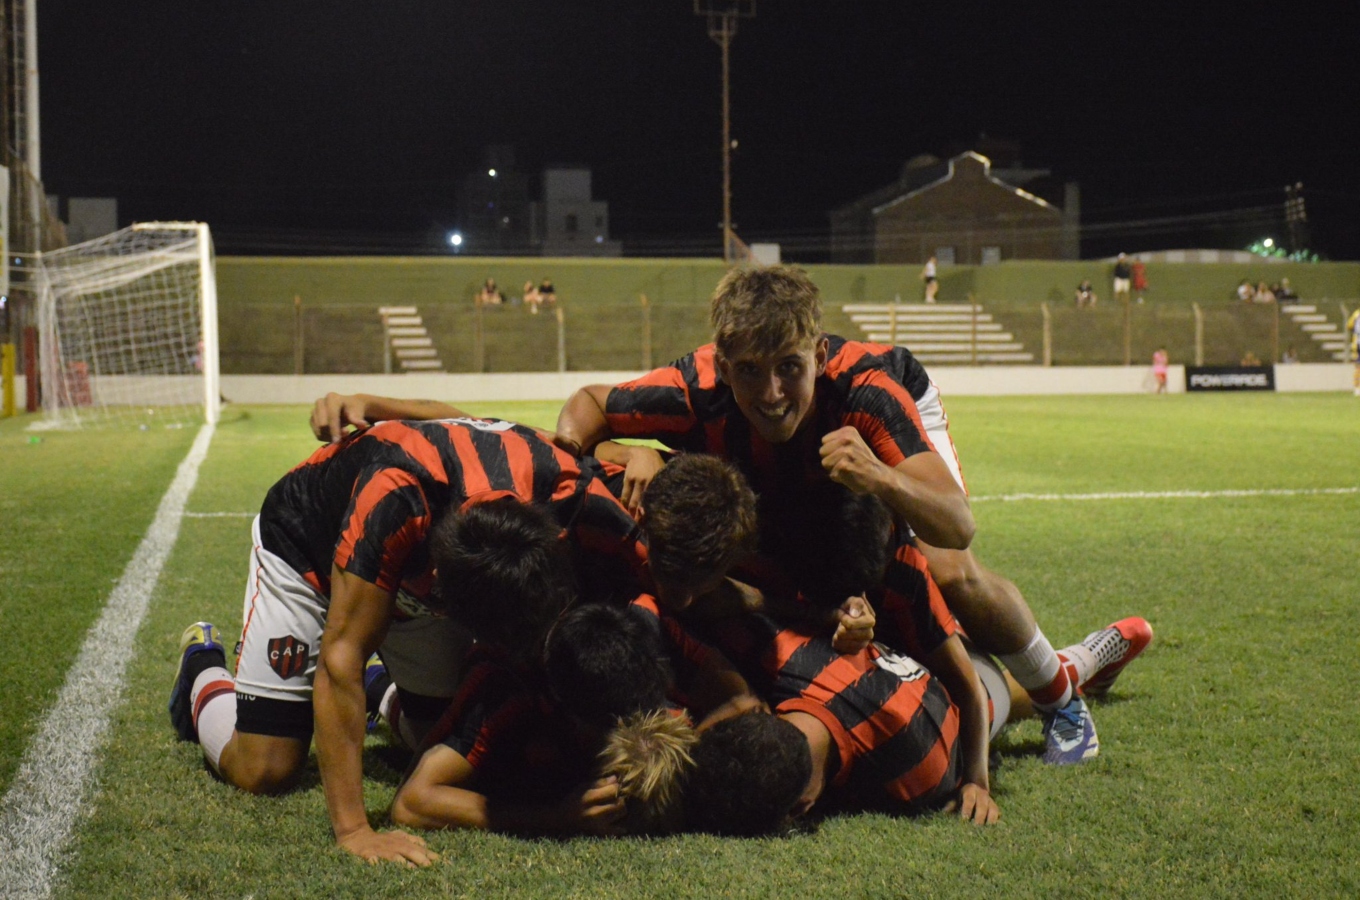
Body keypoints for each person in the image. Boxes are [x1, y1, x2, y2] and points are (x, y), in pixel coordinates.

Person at [555, 264, 1105, 765]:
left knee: (947, 569)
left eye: (789, 368)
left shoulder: (866, 391)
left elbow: (958, 524)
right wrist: (631, 453)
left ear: (819, 357)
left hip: (878, 442)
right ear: (723, 366)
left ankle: (1061, 700)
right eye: (749, 370)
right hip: (799, 473)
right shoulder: (697, 388)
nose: (770, 393)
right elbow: (591, 404)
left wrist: (880, 476)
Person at [167, 416, 647, 866]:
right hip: (309, 550)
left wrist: (639, 453)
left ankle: (381, 687)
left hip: (422, 562)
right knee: (264, 769)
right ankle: (201, 668)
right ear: (441, 584)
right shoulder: (395, 497)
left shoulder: (568, 490)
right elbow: (341, 656)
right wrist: (355, 830)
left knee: (434, 744)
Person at [1348, 307, 1360, 396]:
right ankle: (1357, 387)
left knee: (1358, 366)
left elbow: (1349, 326)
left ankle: (1357, 388)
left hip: (1357, 343)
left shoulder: (1356, 314)